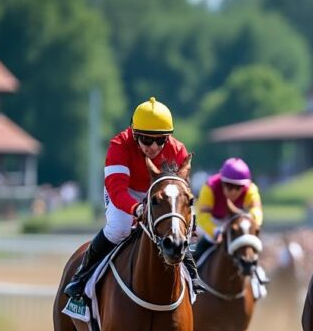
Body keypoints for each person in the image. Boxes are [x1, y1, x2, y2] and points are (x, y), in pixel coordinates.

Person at [63, 97, 199, 299]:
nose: (153, 147)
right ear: (134, 134)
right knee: (120, 227)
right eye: (146, 139)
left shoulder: (178, 150)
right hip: (126, 192)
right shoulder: (119, 146)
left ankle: (192, 275)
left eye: (160, 140)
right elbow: (117, 190)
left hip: (161, 193)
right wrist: (136, 208)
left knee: (180, 228)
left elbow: (182, 191)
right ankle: (82, 276)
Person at [193, 158, 263, 262]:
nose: (233, 192)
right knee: (202, 247)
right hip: (212, 221)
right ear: (222, 183)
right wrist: (215, 231)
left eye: (238, 187)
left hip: (235, 221)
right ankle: (193, 267)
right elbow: (202, 216)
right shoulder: (210, 187)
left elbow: (256, 210)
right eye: (229, 186)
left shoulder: (250, 189)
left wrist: (253, 224)